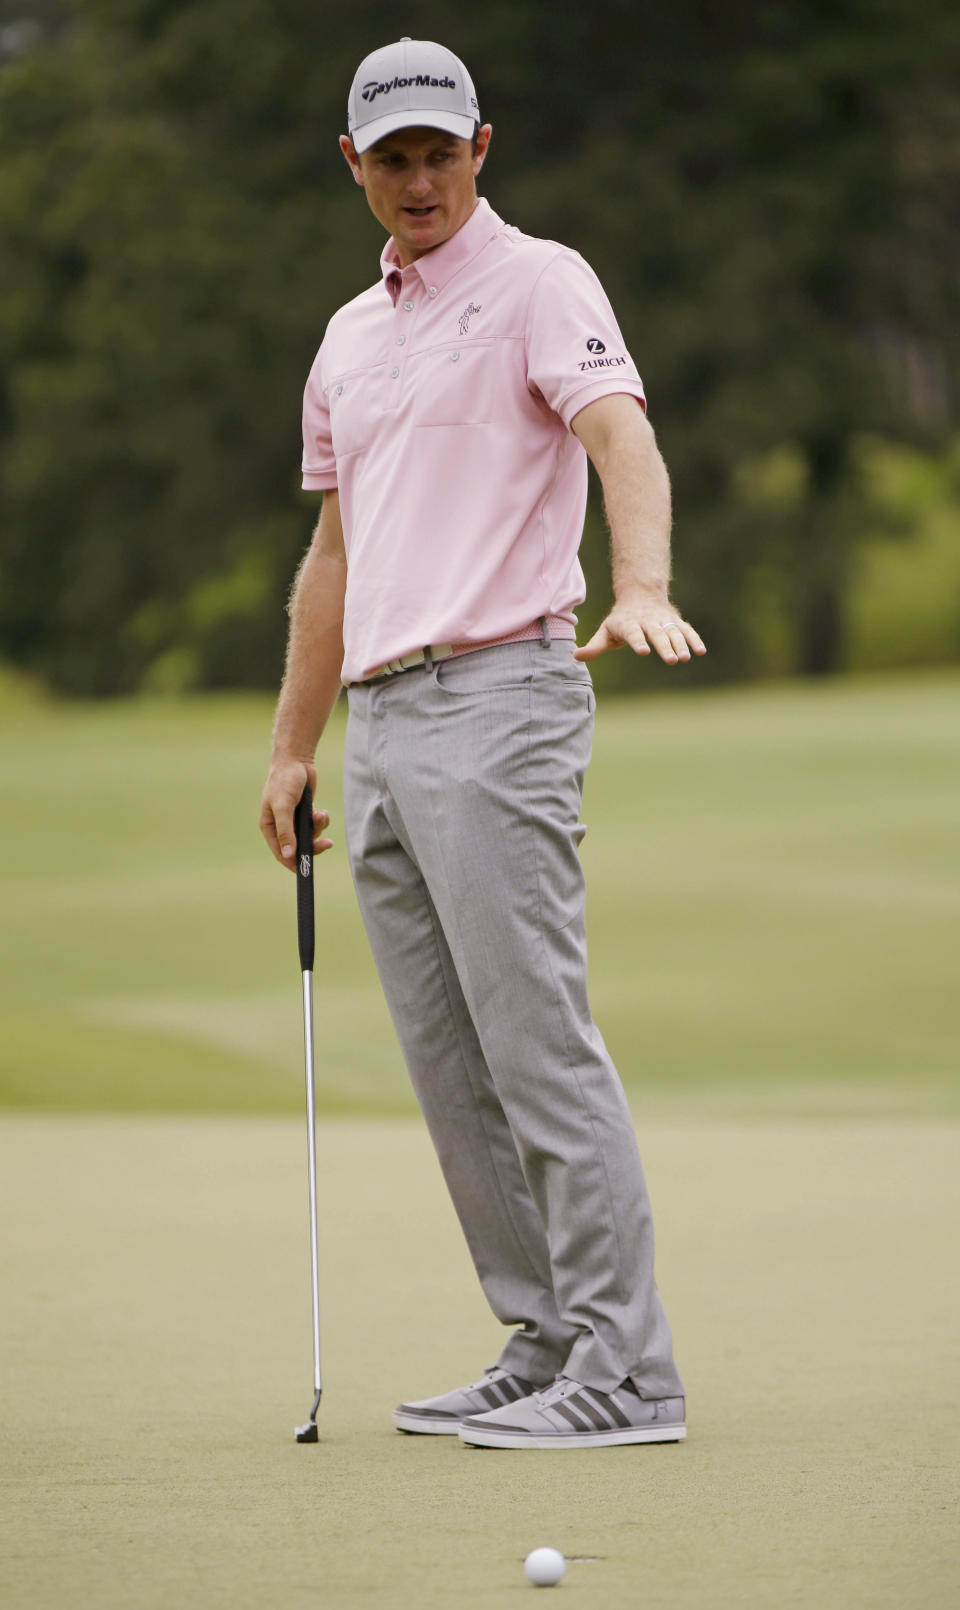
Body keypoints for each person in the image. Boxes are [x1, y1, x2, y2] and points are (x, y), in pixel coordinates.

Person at [259, 37, 706, 1450]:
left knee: (534, 1043)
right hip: (384, 726)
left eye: (440, 151)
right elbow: (335, 551)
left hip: (502, 693)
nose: (418, 178)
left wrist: (640, 585)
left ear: (482, 149)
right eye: (391, 157)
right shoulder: (348, 339)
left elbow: (620, 437)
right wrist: (293, 745)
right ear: (354, 166)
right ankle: (551, 1333)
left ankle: (631, 1370)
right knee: (452, 1066)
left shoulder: (539, 281)